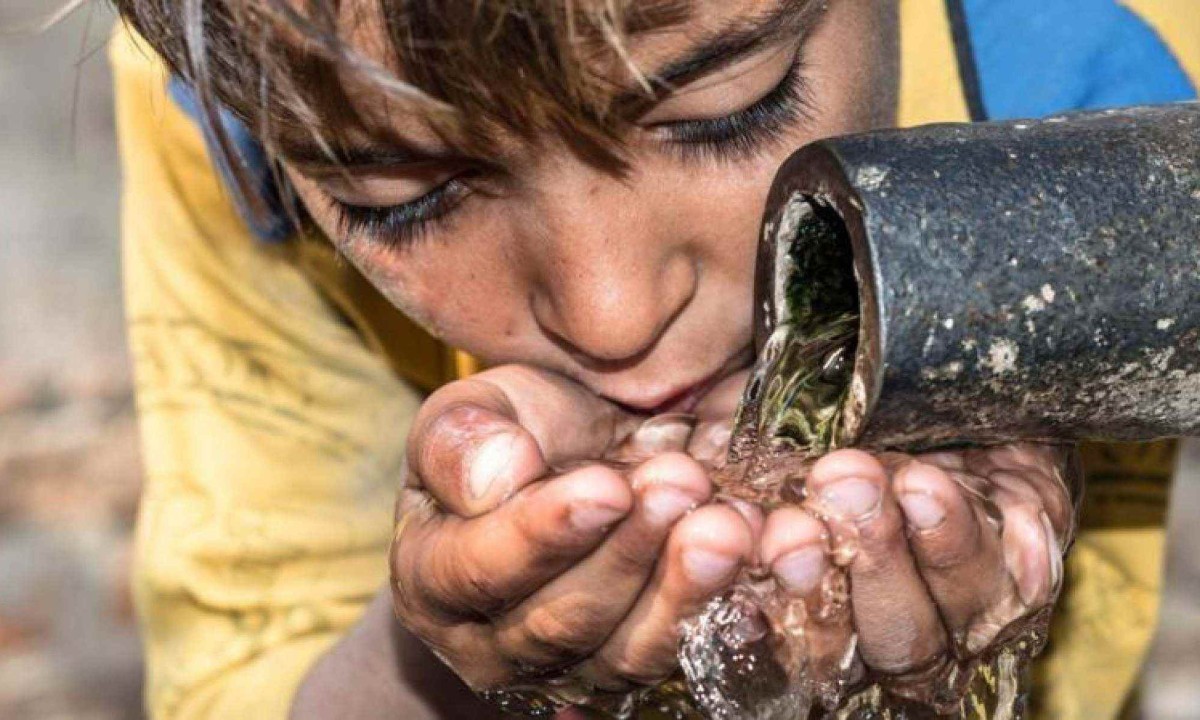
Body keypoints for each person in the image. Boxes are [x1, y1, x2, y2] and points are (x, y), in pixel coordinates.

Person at [106, 0, 1198, 718]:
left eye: (728, 108)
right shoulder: (269, 61)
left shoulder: (1146, 46)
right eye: (406, 198)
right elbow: (244, 669)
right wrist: (449, 651)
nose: (614, 316)